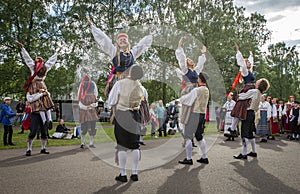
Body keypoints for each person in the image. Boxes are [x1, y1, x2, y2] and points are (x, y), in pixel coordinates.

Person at [86, 16, 153, 97]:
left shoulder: (133, 53)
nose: (122, 41)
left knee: (140, 95)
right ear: (117, 43)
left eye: (124, 39)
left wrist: (150, 35)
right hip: (118, 79)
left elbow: (142, 45)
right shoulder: (114, 52)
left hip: (131, 79)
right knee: (115, 97)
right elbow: (104, 39)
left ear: (128, 42)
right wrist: (92, 26)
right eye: (120, 40)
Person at [108, 65, 146, 182]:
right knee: (135, 145)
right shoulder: (141, 87)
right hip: (135, 115)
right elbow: (144, 100)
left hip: (123, 114)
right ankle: (134, 173)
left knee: (122, 146)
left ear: (129, 72)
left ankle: (123, 174)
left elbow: (111, 101)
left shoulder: (120, 84)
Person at [17, 40, 62, 131]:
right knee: (46, 102)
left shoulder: (33, 67)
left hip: (34, 85)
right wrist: (57, 53)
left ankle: (45, 121)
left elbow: (27, 58)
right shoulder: (45, 67)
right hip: (42, 84)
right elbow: (51, 61)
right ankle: (48, 119)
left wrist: (22, 48)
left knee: (39, 104)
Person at [233, 78, 270, 160]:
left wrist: (239, 93)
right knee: (250, 133)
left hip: (247, 112)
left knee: (244, 133)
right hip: (252, 113)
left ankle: (244, 153)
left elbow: (242, 96)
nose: (256, 81)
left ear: (259, 84)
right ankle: (253, 151)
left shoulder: (254, 91)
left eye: (258, 81)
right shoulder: (259, 93)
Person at [178, 72, 210, 165]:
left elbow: (188, 100)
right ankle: (204, 157)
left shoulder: (197, 90)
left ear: (199, 79)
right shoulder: (206, 90)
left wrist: (181, 99)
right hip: (202, 114)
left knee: (188, 136)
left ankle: (188, 158)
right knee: (199, 136)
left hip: (194, 114)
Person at [230, 43, 255, 135]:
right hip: (248, 89)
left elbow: (251, 63)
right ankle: (233, 127)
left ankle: (234, 127)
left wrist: (251, 56)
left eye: (249, 62)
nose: (249, 63)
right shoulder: (244, 71)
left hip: (252, 90)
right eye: (248, 62)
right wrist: (238, 51)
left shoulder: (250, 71)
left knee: (244, 108)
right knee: (240, 107)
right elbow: (241, 62)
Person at [78, 74, 99, 149]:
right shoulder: (82, 86)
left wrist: (93, 105)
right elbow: (80, 101)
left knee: (92, 127)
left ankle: (91, 143)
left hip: (91, 110)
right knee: (84, 128)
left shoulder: (93, 85)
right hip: (85, 111)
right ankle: (82, 143)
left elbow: (96, 99)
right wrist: (86, 107)